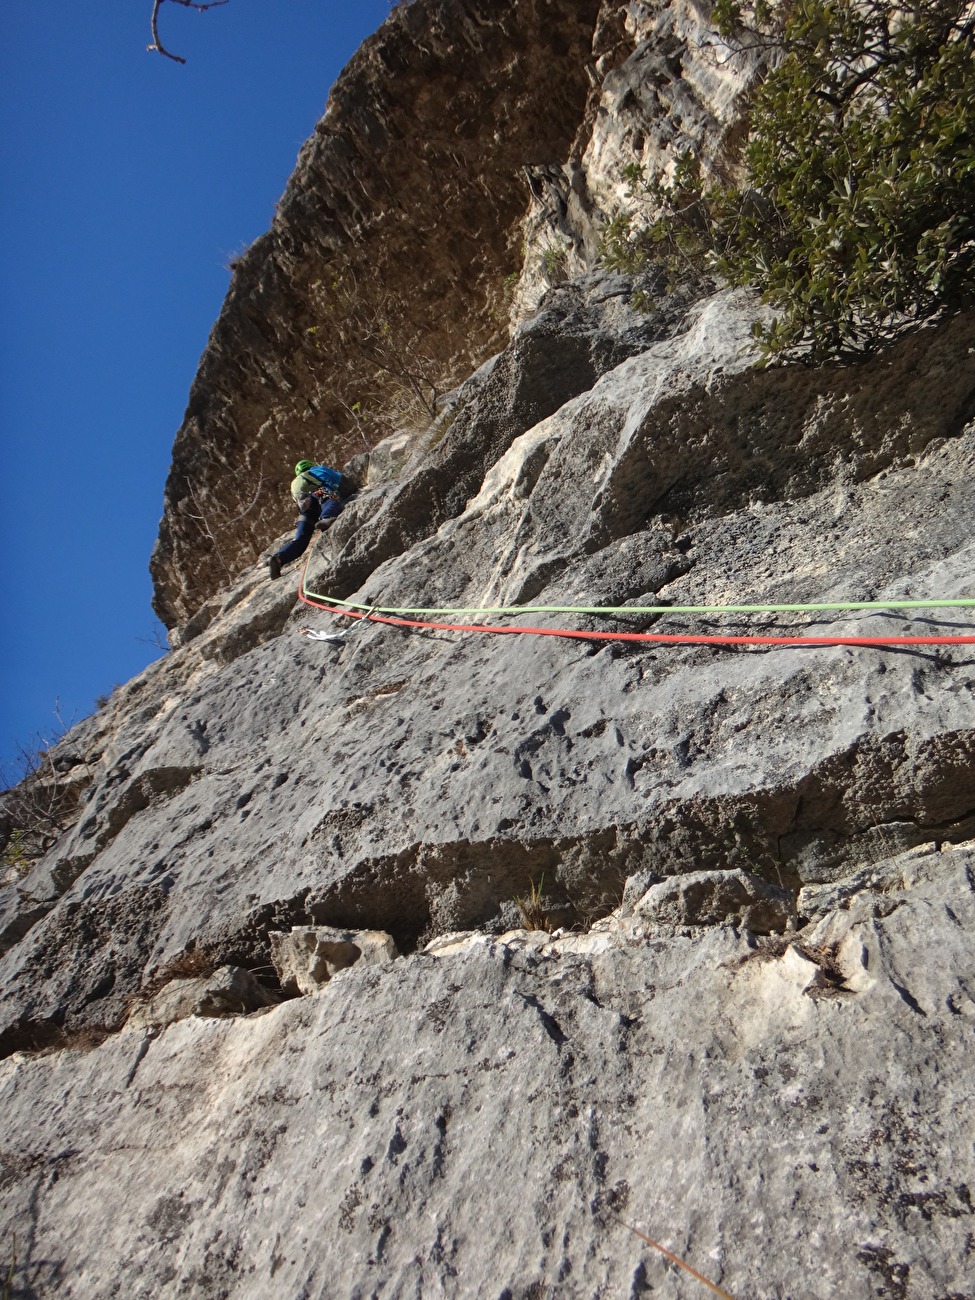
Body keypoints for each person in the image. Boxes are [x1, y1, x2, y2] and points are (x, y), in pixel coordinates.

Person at [267, 459, 353, 580]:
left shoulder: (295, 483)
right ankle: (327, 517)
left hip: (305, 508)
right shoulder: (315, 470)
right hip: (320, 495)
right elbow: (336, 477)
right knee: (329, 500)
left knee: (301, 540)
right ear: (310, 466)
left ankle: (278, 559)